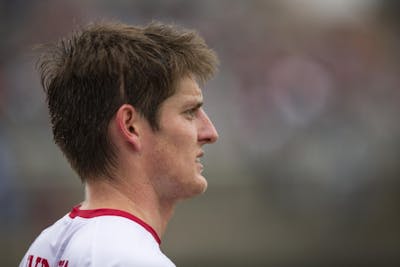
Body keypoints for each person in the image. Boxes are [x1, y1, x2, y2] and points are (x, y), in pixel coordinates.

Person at [20, 21, 219, 267]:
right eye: (189, 112)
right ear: (131, 126)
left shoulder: (42, 249)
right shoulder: (132, 258)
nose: (210, 132)